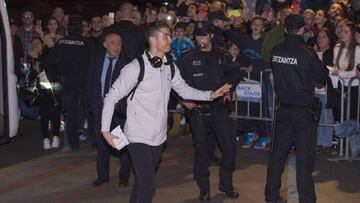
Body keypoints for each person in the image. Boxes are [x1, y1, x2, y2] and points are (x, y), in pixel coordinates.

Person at [101, 21, 231, 203]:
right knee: (148, 185)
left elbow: (185, 91)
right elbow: (111, 97)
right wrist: (105, 131)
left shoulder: (169, 66)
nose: (170, 39)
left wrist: (210, 95)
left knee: (141, 183)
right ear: (153, 39)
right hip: (137, 136)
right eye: (165, 36)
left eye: (170, 35)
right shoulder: (135, 68)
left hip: (159, 136)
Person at [265, 14, 329, 203]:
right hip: (302, 112)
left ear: (285, 29)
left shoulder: (276, 50)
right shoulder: (307, 52)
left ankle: (271, 197)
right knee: (304, 159)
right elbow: (322, 76)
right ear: (302, 29)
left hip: (283, 111)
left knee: (277, 157)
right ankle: (307, 199)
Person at [178, 21, 240, 201]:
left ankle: (226, 184)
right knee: (201, 152)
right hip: (198, 112)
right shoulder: (187, 57)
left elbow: (235, 73)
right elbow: (174, 81)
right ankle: (204, 188)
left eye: (204, 35)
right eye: (198, 35)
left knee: (229, 149)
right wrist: (183, 99)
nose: (201, 39)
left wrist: (230, 88)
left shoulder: (221, 55)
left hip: (219, 109)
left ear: (211, 36)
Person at [88, 32, 130, 187]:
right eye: (112, 43)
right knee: (101, 145)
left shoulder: (127, 62)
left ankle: (124, 176)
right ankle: (102, 176)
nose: (116, 46)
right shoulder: (96, 59)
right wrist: (92, 104)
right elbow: (91, 83)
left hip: (119, 111)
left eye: (119, 43)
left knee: (123, 146)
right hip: (100, 109)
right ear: (105, 45)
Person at [45, 14, 94, 151]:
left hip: (67, 82)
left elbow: (49, 62)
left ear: (67, 27)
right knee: (89, 112)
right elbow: (95, 63)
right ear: (81, 28)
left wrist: (57, 78)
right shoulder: (87, 43)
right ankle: (95, 143)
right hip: (84, 82)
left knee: (71, 114)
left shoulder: (61, 43)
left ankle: (73, 144)